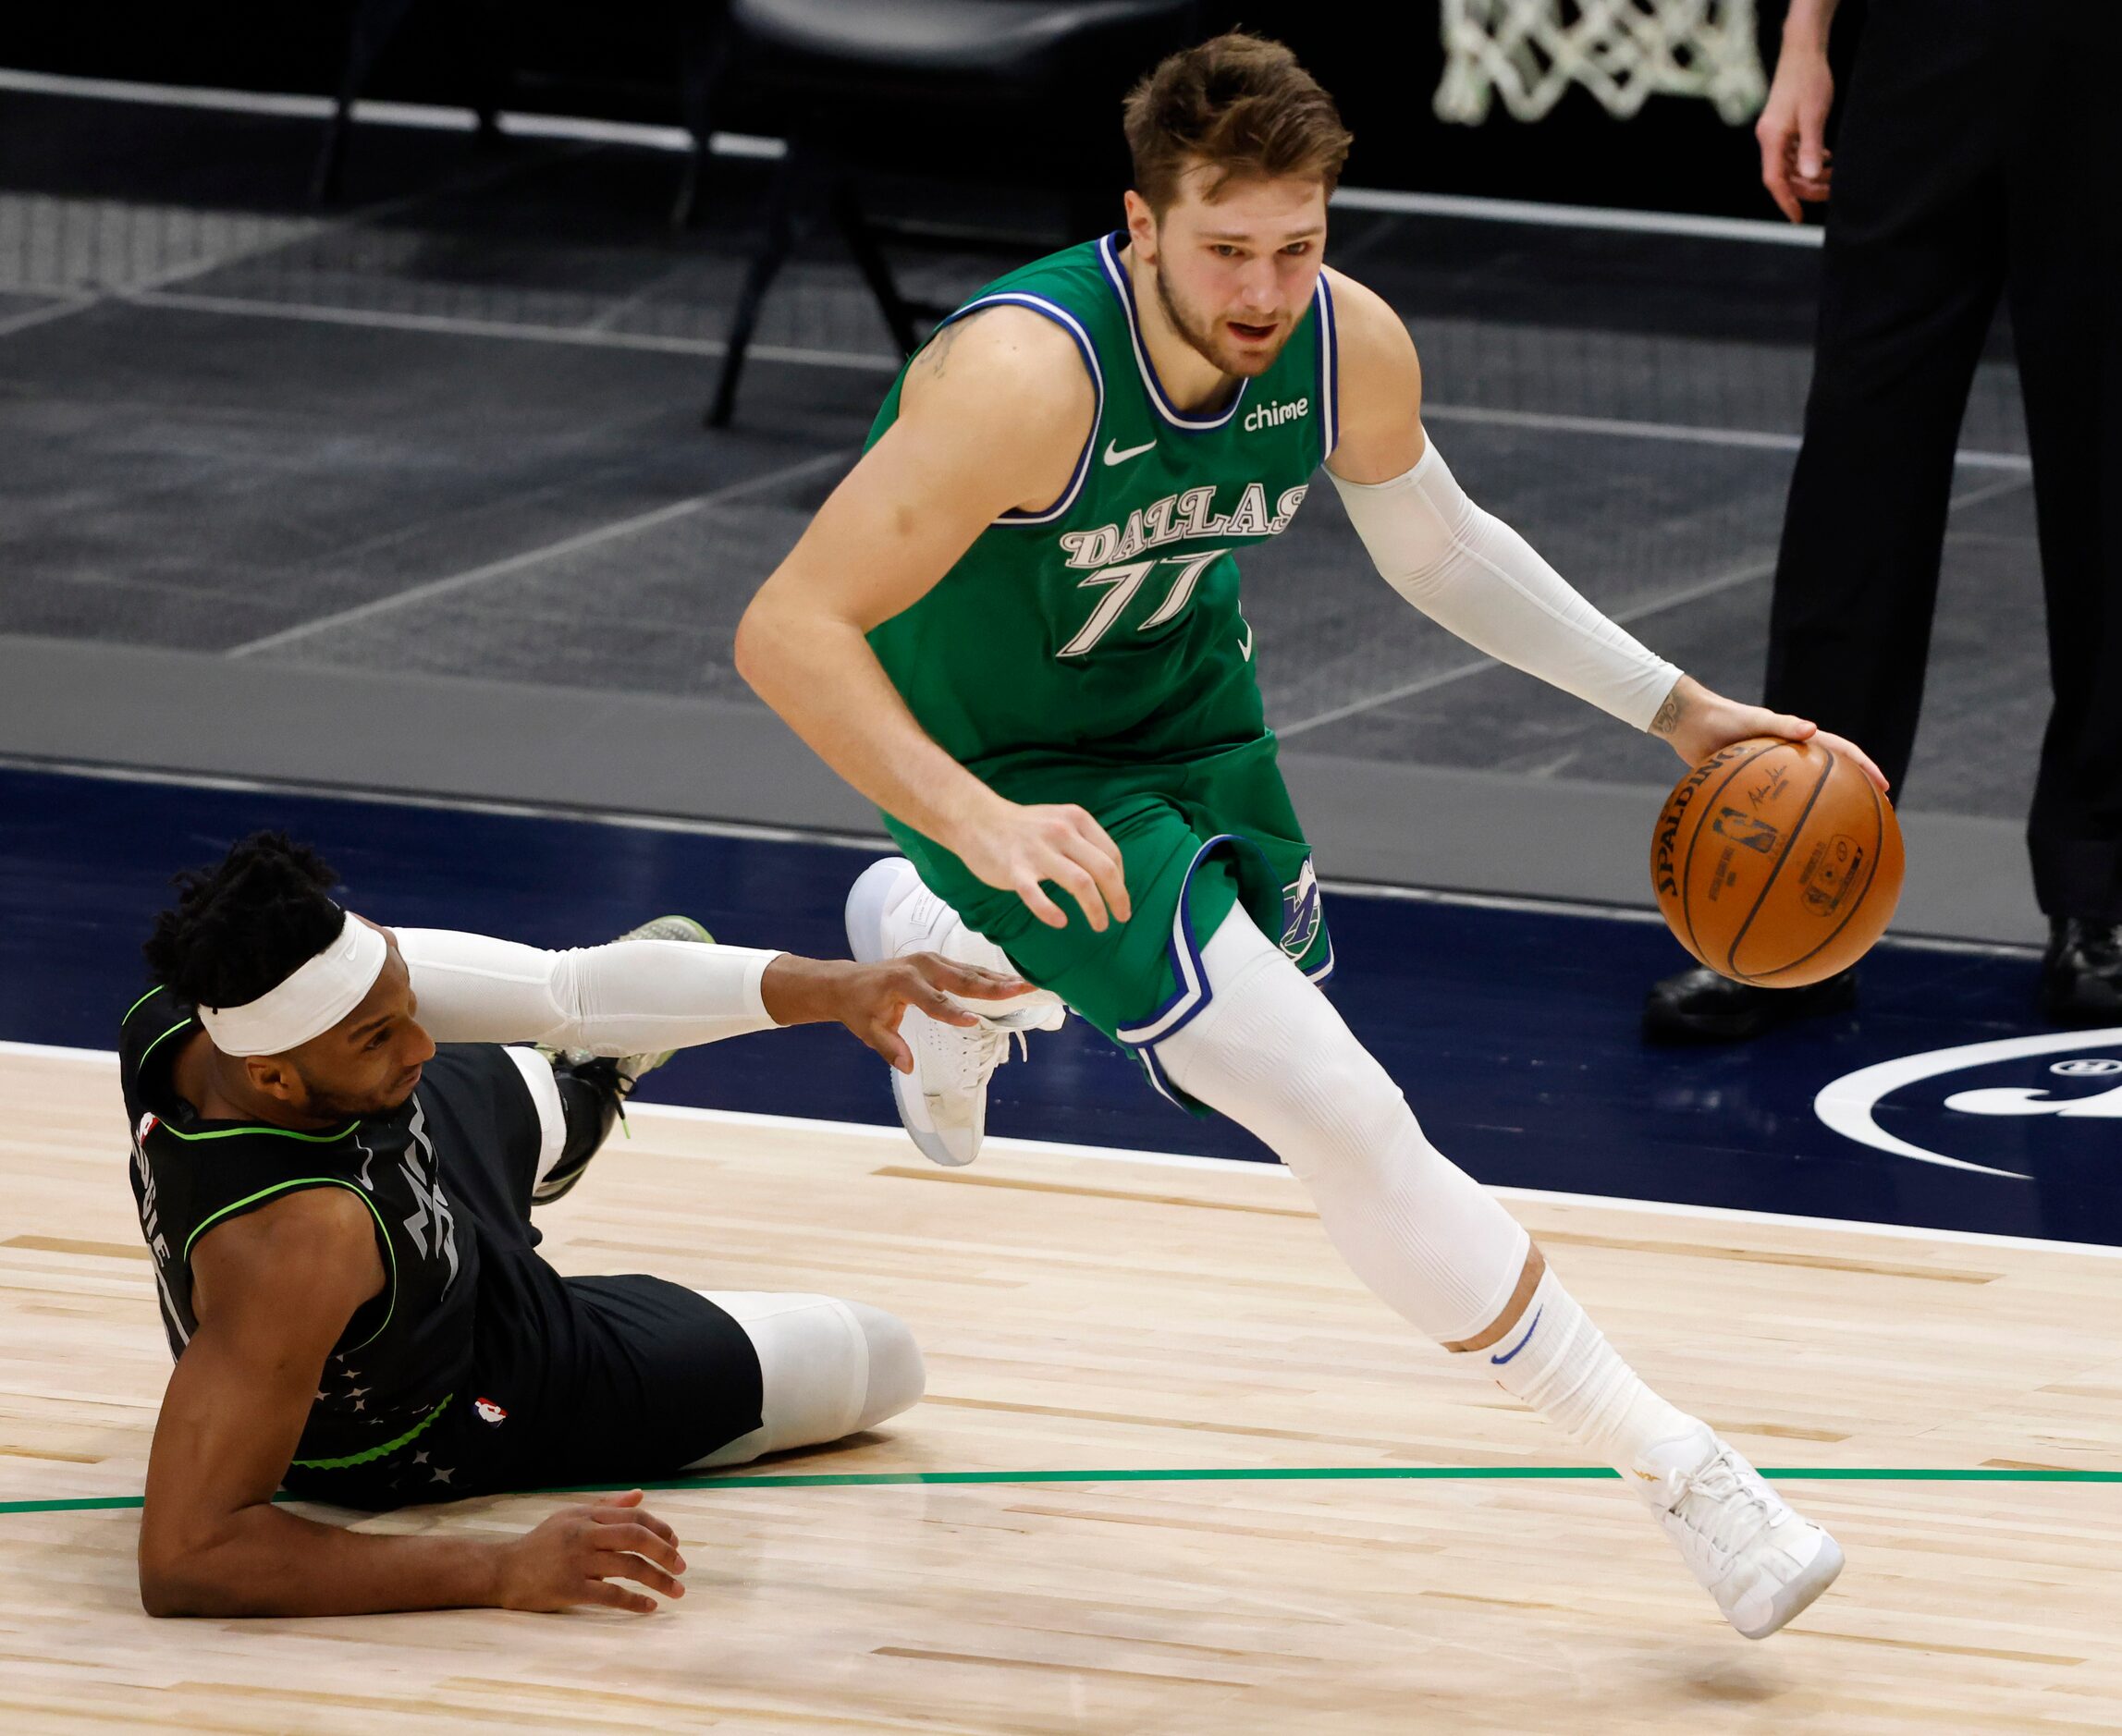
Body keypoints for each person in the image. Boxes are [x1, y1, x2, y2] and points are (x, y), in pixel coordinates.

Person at [734, 33, 1887, 1640]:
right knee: (1337, 1104)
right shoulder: (1025, 377)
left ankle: (937, 962)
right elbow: (787, 630)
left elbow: (1446, 552)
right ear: (1138, 225)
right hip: (1006, 761)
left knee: (1258, 1054)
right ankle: (1681, 1467)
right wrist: (971, 817)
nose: (1267, 289)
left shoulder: (1343, 343)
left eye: (1299, 243)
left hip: (1191, 722)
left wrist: (1680, 712)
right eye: (1226, 250)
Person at [126, 831, 1023, 1618]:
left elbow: (571, 984)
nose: (420, 1040)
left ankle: (578, 1094)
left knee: (520, 1051)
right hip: (469, 1389)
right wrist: (500, 1568)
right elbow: (188, 1558)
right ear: (275, 1080)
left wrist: (843, 987)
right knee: (879, 1358)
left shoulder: (214, 1014)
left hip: (398, 1198)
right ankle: (564, 1103)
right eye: (378, 1036)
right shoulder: (294, 1248)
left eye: (405, 1006)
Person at [1647, 0, 2122, 1040]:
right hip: (1923, 41)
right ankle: (1806, 887)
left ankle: (2104, 898)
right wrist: (1806, 43)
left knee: (2108, 475)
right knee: (1859, 464)